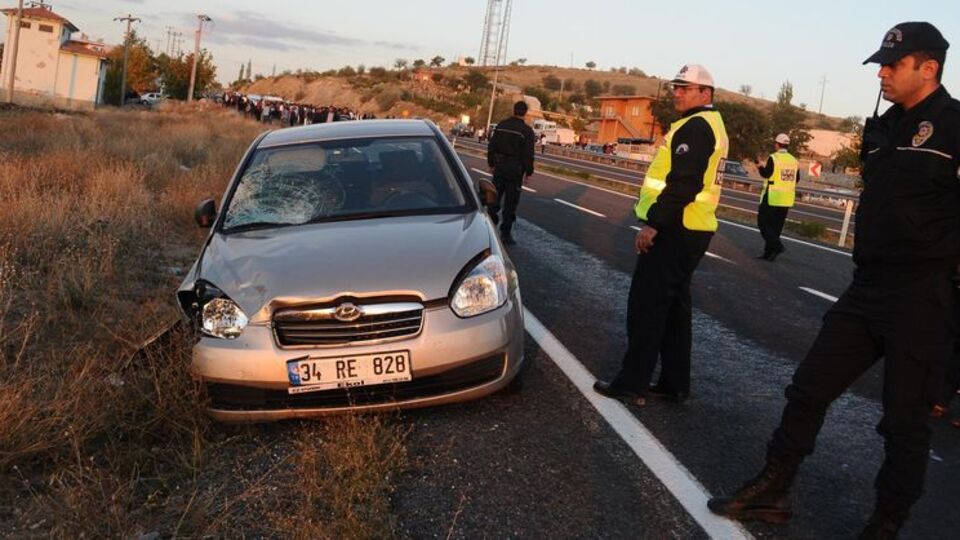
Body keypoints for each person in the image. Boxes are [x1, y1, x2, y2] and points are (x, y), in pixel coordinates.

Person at [708, 22, 959, 538]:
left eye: (893, 64)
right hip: (868, 288)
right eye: (881, 65)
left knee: (904, 425)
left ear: (928, 67)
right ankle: (775, 489)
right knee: (807, 388)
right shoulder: (883, 127)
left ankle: (885, 525)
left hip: (924, 296)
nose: (882, 74)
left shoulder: (955, 127)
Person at [593, 64, 728, 406]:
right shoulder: (711, 124)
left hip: (676, 229)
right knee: (675, 310)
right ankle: (674, 382)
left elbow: (684, 183)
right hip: (694, 228)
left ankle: (632, 383)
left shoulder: (696, 127)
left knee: (647, 307)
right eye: (676, 87)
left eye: (686, 88)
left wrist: (654, 224)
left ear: (705, 94)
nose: (677, 93)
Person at [486, 100, 535, 245]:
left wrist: (491, 163)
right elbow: (528, 154)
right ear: (525, 113)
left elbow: (492, 145)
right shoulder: (526, 131)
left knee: (494, 198)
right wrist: (529, 171)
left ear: (514, 110)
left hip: (500, 166)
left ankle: (489, 228)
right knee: (510, 202)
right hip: (515, 170)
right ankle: (505, 234)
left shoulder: (501, 125)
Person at [756, 133, 800, 261]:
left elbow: (766, 174)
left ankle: (777, 246)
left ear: (777, 144)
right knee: (776, 227)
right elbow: (796, 179)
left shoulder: (774, 158)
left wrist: (760, 167)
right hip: (786, 199)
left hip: (772, 196)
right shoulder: (794, 160)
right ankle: (769, 254)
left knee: (763, 223)